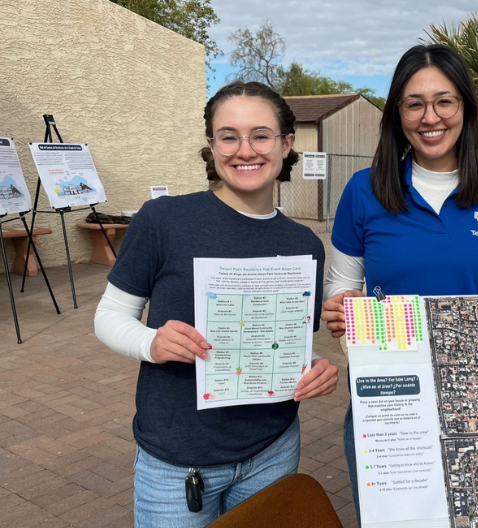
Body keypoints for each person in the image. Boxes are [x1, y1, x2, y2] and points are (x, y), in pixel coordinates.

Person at [94, 80, 339, 527]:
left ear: (286, 144)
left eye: (260, 135)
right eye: (229, 136)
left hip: (273, 448)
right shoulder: (165, 219)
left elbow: (286, 339)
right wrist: (152, 342)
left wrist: (317, 365)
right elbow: (109, 316)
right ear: (212, 145)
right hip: (178, 460)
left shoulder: (305, 243)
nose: (245, 150)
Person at [320, 44, 478, 524]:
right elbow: (342, 291)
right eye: (414, 103)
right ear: (398, 112)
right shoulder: (363, 189)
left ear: (465, 109)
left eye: (444, 101)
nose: (429, 116)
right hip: (388, 402)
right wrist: (339, 310)